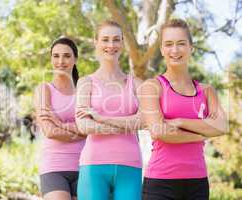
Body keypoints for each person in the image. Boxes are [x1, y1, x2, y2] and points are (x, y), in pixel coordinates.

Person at [141, 18, 228, 200]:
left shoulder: (207, 90)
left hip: (198, 182)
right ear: (162, 49)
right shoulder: (152, 86)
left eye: (181, 44)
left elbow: (222, 127)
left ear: (191, 47)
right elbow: (159, 132)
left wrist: (180, 122)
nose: (175, 50)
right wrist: (202, 133)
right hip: (160, 182)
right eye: (169, 44)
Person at [75, 20, 144, 200]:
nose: (111, 45)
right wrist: (126, 125)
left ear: (122, 43)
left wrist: (100, 118)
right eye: (105, 40)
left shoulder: (136, 84)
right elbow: (83, 125)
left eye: (116, 40)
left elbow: (144, 121)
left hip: (130, 165)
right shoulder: (85, 82)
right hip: (93, 166)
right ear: (96, 42)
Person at [34, 37, 86, 200]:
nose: (61, 61)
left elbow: (92, 129)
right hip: (53, 167)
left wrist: (58, 123)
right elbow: (49, 131)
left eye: (66, 56)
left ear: (75, 59)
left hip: (85, 166)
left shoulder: (84, 90)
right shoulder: (44, 90)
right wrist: (80, 131)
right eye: (56, 56)